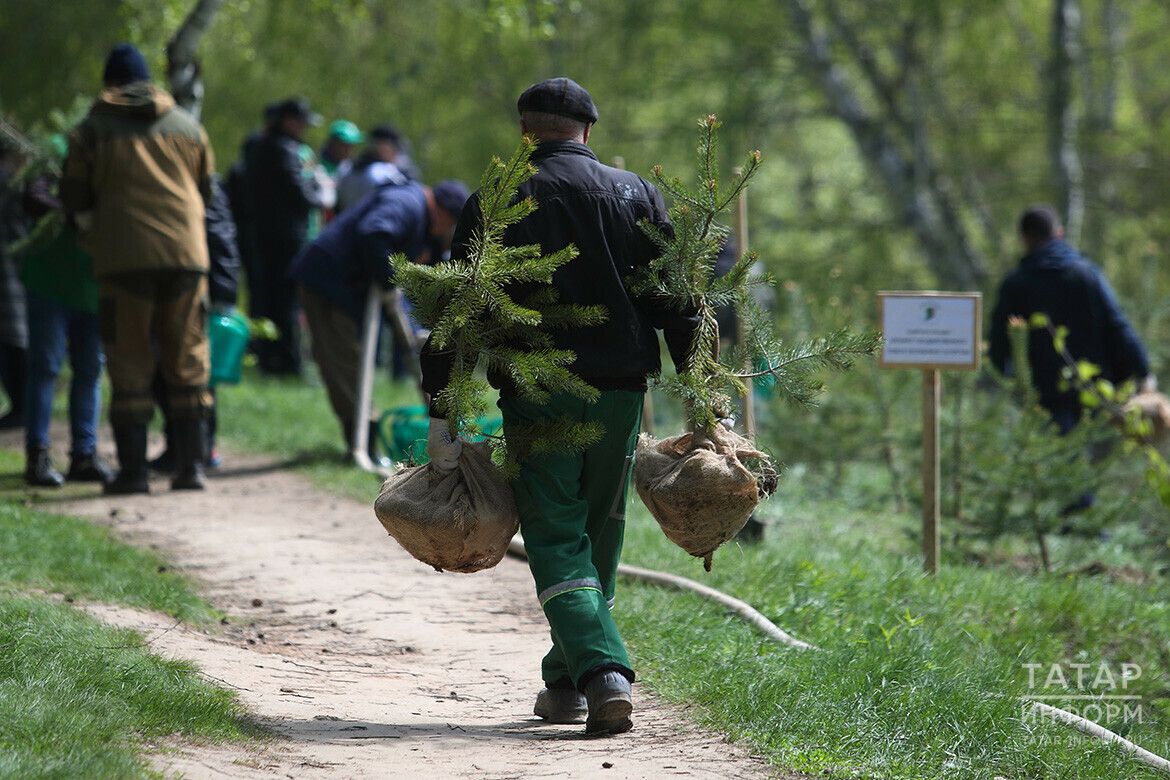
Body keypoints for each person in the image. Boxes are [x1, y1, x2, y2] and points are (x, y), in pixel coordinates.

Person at [420, 77, 698, 736]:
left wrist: (442, 411)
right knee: (598, 531)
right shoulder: (637, 193)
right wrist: (701, 394)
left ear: (525, 132)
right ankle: (567, 680)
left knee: (552, 532)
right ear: (588, 132)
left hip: (539, 388)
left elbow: (458, 311)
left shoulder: (499, 196)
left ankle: (603, 671)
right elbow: (676, 299)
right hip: (622, 394)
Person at [60, 43, 215, 495]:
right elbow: (206, 189)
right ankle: (191, 469)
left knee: (129, 362)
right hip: (186, 257)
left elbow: (73, 198)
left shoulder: (90, 131)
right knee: (187, 359)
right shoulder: (188, 126)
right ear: (149, 81)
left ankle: (134, 474)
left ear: (110, 83)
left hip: (124, 260)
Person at [290, 178, 469, 459]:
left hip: (347, 288)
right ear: (444, 213)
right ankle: (363, 445)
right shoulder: (407, 204)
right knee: (344, 362)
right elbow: (373, 234)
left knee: (351, 360)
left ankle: (364, 441)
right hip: (328, 283)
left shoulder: (420, 218)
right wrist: (391, 281)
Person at [989, 204, 1153, 434]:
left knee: (1053, 462)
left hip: (1041, 401)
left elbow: (998, 342)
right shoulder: (1086, 274)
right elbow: (1117, 325)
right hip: (1097, 394)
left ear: (1024, 238)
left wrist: (1007, 384)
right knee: (1094, 464)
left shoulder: (1016, 283)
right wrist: (1143, 372)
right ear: (1059, 233)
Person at [16, 136, 111, 487]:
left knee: (90, 370)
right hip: (50, 282)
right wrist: (71, 212)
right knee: (45, 368)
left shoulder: (119, 153)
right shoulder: (59, 147)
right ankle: (37, 456)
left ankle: (84, 456)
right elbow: (32, 196)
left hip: (95, 283)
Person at [150, 174, 240, 472]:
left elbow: (219, 235)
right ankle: (182, 447)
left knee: (195, 372)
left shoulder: (200, 181)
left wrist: (223, 294)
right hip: (181, 285)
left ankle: (199, 448)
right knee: (174, 371)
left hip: (199, 292)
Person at [246, 97, 334, 376]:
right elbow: (299, 192)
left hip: (263, 235)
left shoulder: (260, 146)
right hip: (287, 238)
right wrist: (321, 196)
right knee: (287, 301)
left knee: (267, 298)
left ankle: (268, 357)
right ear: (289, 121)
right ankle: (287, 362)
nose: (304, 129)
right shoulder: (285, 150)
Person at [0, 145, 29, 430]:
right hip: (13, 267)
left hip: (13, 268)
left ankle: (21, 406)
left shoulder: (12, 184)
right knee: (14, 338)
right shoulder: (12, 183)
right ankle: (22, 406)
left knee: (13, 339)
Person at [335, 124, 420, 213]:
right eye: (394, 147)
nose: (397, 154)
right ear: (383, 147)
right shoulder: (380, 173)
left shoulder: (347, 168)